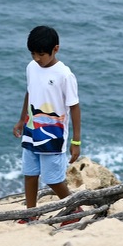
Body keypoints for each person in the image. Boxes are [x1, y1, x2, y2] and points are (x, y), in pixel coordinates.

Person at [13, 25, 82, 221]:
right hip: (31, 129)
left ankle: (75, 211)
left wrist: (76, 141)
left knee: (53, 179)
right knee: (30, 174)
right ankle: (30, 214)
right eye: (33, 53)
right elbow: (30, 92)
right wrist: (21, 120)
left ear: (56, 49)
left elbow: (75, 107)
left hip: (53, 134)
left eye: (41, 54)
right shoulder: (31, 67)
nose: (37, 58)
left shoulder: (64, 75)